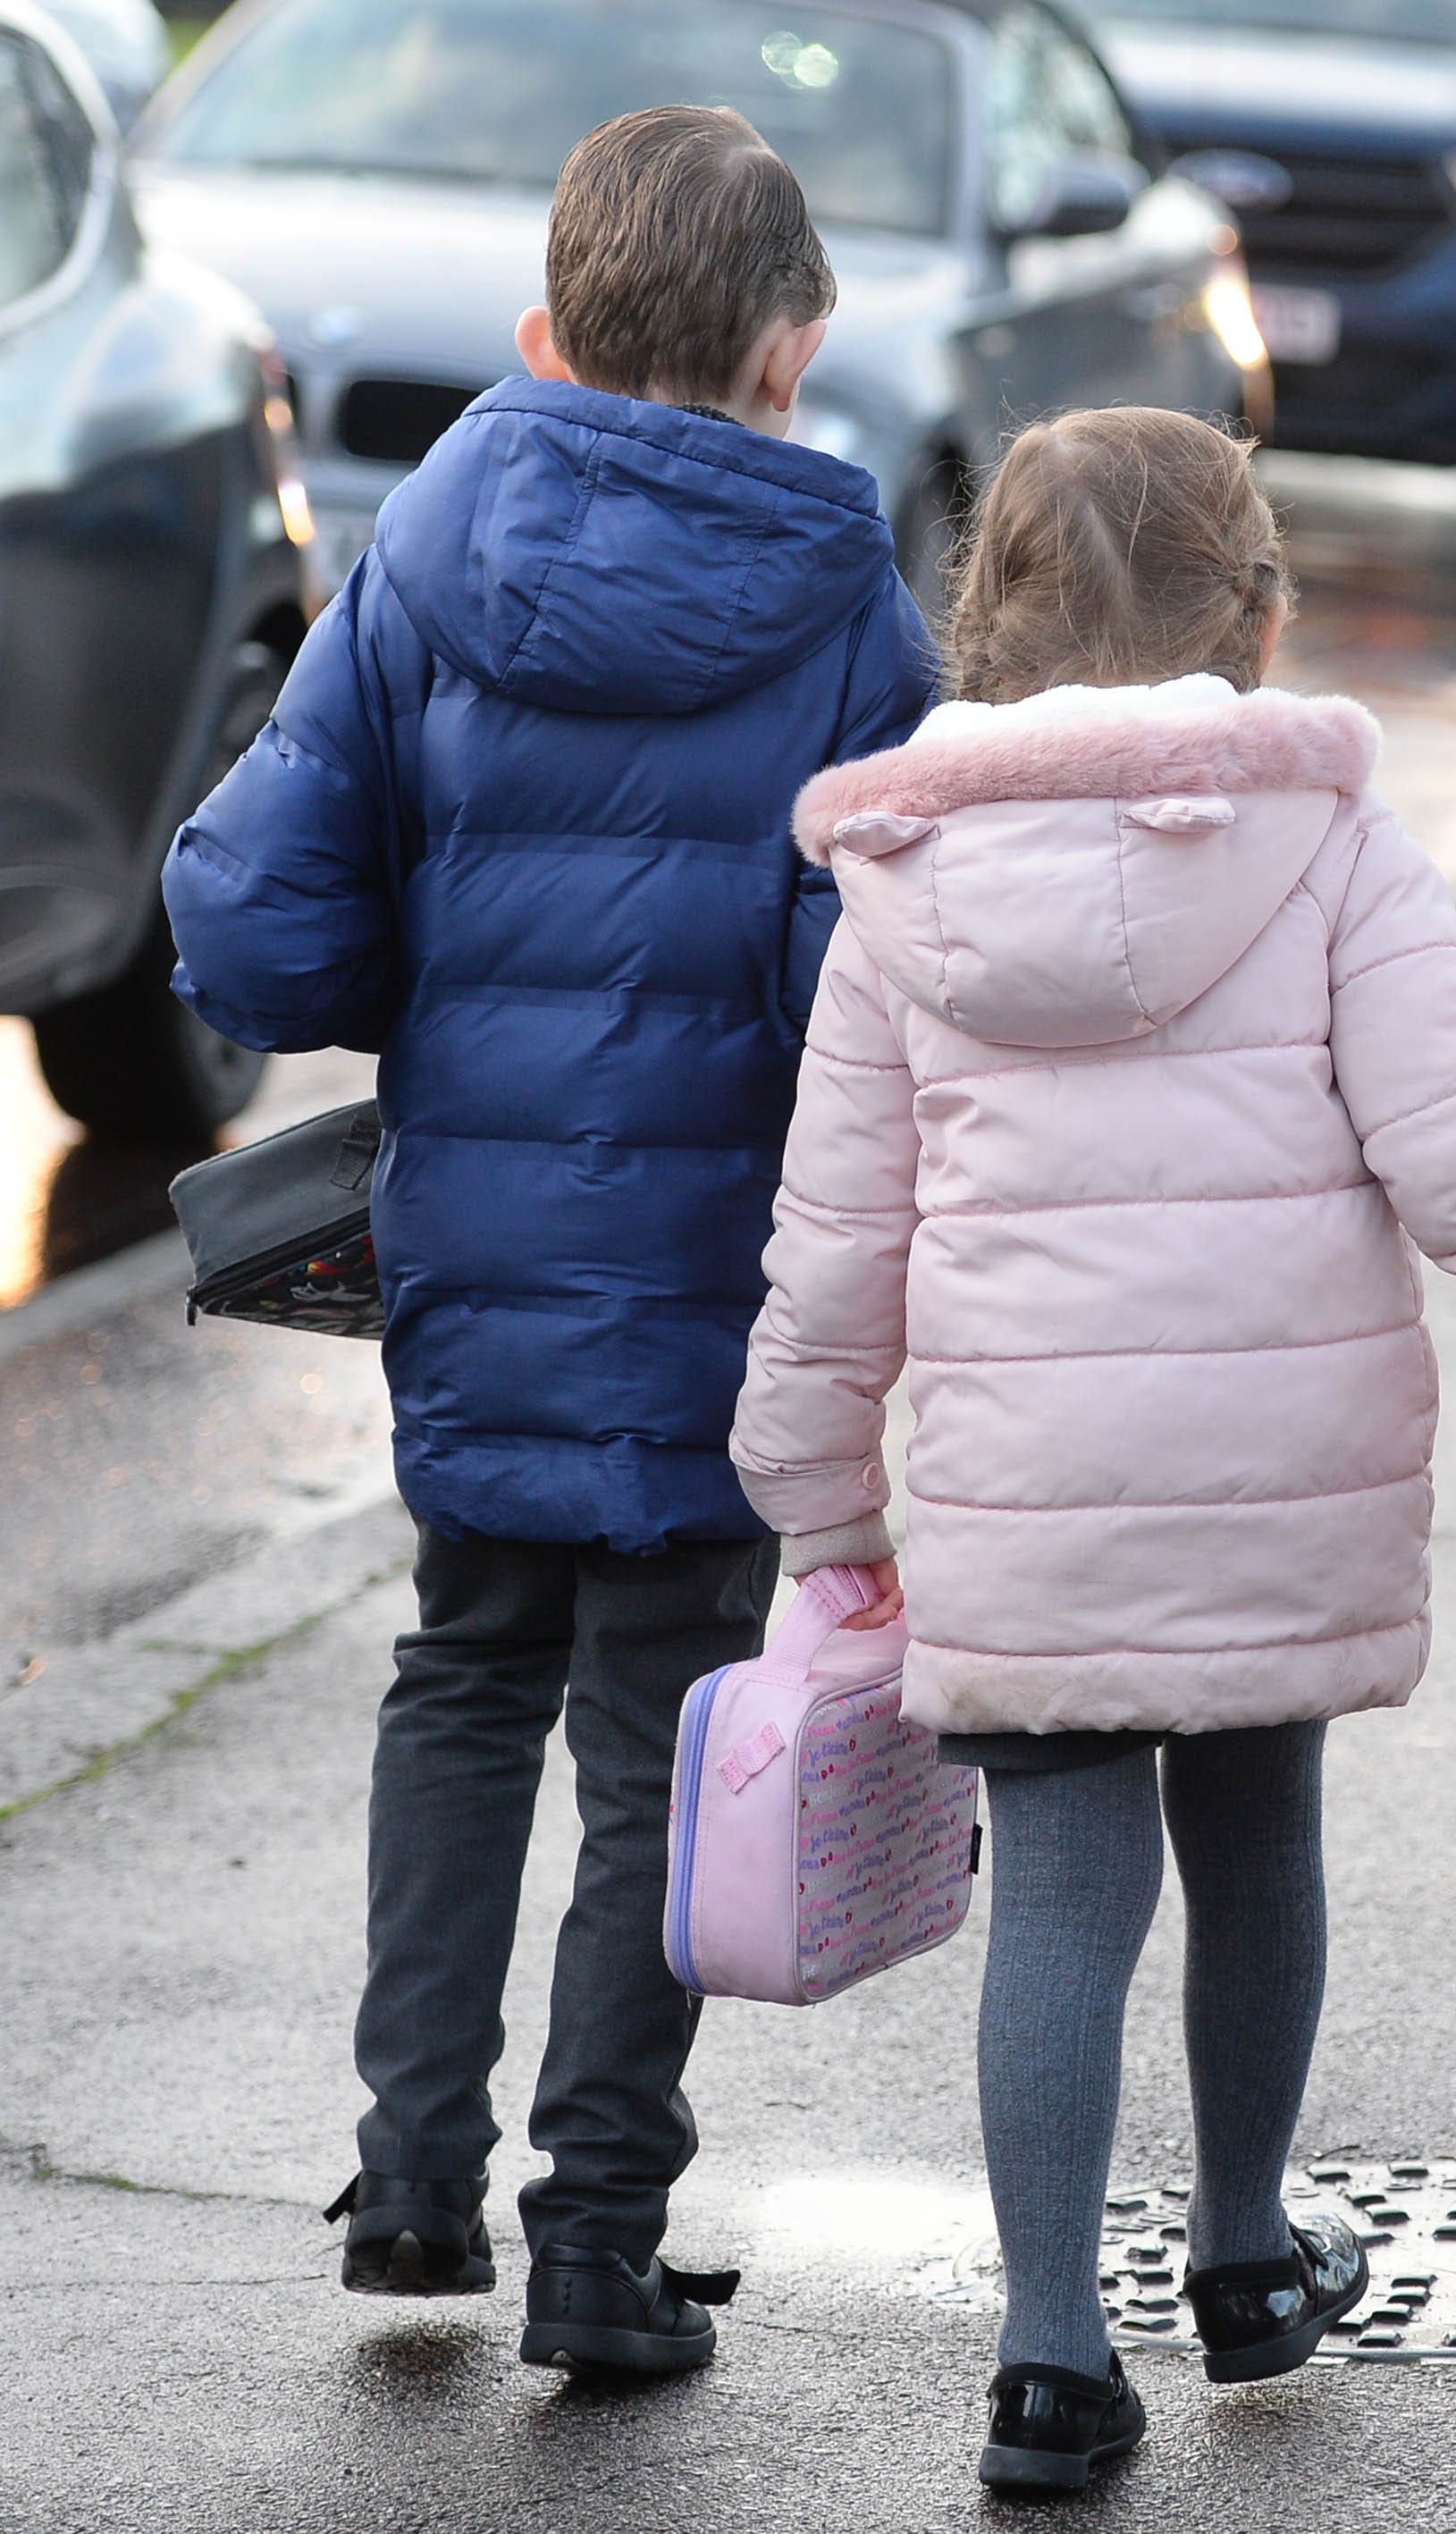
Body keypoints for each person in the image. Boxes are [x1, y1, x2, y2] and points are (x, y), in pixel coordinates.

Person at [732, 408, 1456, 2491]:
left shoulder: (902, 888)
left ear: (988, 618)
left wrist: (821, 1499)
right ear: (1256, 601)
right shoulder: (1325, 837)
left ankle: (1050, 2358)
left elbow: (837, 1239)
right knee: (1257, 1845)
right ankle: (1240, 2248)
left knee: (1057, 1897)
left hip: (1025, 1486)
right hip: (1272, 1460)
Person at [162, 105, 932, 2377]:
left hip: (477, 1263)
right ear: (794, 352)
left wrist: (446, 947)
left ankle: (408, 2183)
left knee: (464, 1670)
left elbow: (259, 922)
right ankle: (600, 2240)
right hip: (715, 1278)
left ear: (541, 331)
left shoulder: (425, 557)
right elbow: (855, 996)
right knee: (659, 1737)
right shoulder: (852, 618)